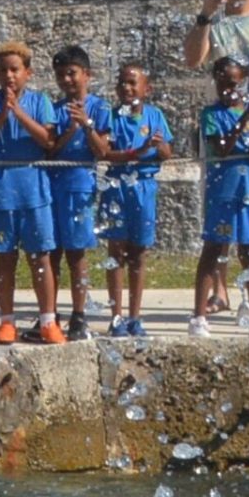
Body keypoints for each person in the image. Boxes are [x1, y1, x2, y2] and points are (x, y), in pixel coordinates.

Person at [0, 41, 63, 345]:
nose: (9, 75)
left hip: (35, 193)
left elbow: (48, 140)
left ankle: (48, 320)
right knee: (5, 257)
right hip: (2, 194)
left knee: (41, 257)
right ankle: (6, 320)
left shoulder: (41, 103)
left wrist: (18, 113)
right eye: (3, 70)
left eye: (15, 69)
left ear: (27, 72)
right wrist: (0, 117)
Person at [192, 57, 249, 338]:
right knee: (213, 250)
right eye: (224, 84)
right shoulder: (211, 115)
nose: (230, 90)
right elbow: (222, 148)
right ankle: (199, 316)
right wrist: (242, 121)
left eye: (235, 84)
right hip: (223, 192)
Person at [98, 63, 172, 337]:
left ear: (147, 89)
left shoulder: (154, 116)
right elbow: (105, 153)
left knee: (138, 252)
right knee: (116, 251)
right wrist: (139, 150)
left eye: (133, 83)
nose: (126, 89)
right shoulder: (111, 116)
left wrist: (159, 146)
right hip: (117, 185)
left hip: (143, 187)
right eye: (122, 83)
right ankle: (116, 316)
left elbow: (167, 152)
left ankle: (135, 316)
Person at [46, 45, 107, 341]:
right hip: (53, 185)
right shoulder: (53, 110)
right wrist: (69, 129)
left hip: (80, 185)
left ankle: (79, 313)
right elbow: (50, 148)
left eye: (72, 73)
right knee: (52, 251)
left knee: (77, 252)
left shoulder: (100, 108)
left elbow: (103, 150)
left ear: (87, 75)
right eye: (61, 75)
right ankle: (50, 313)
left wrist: (86, 125)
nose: (67, 80)